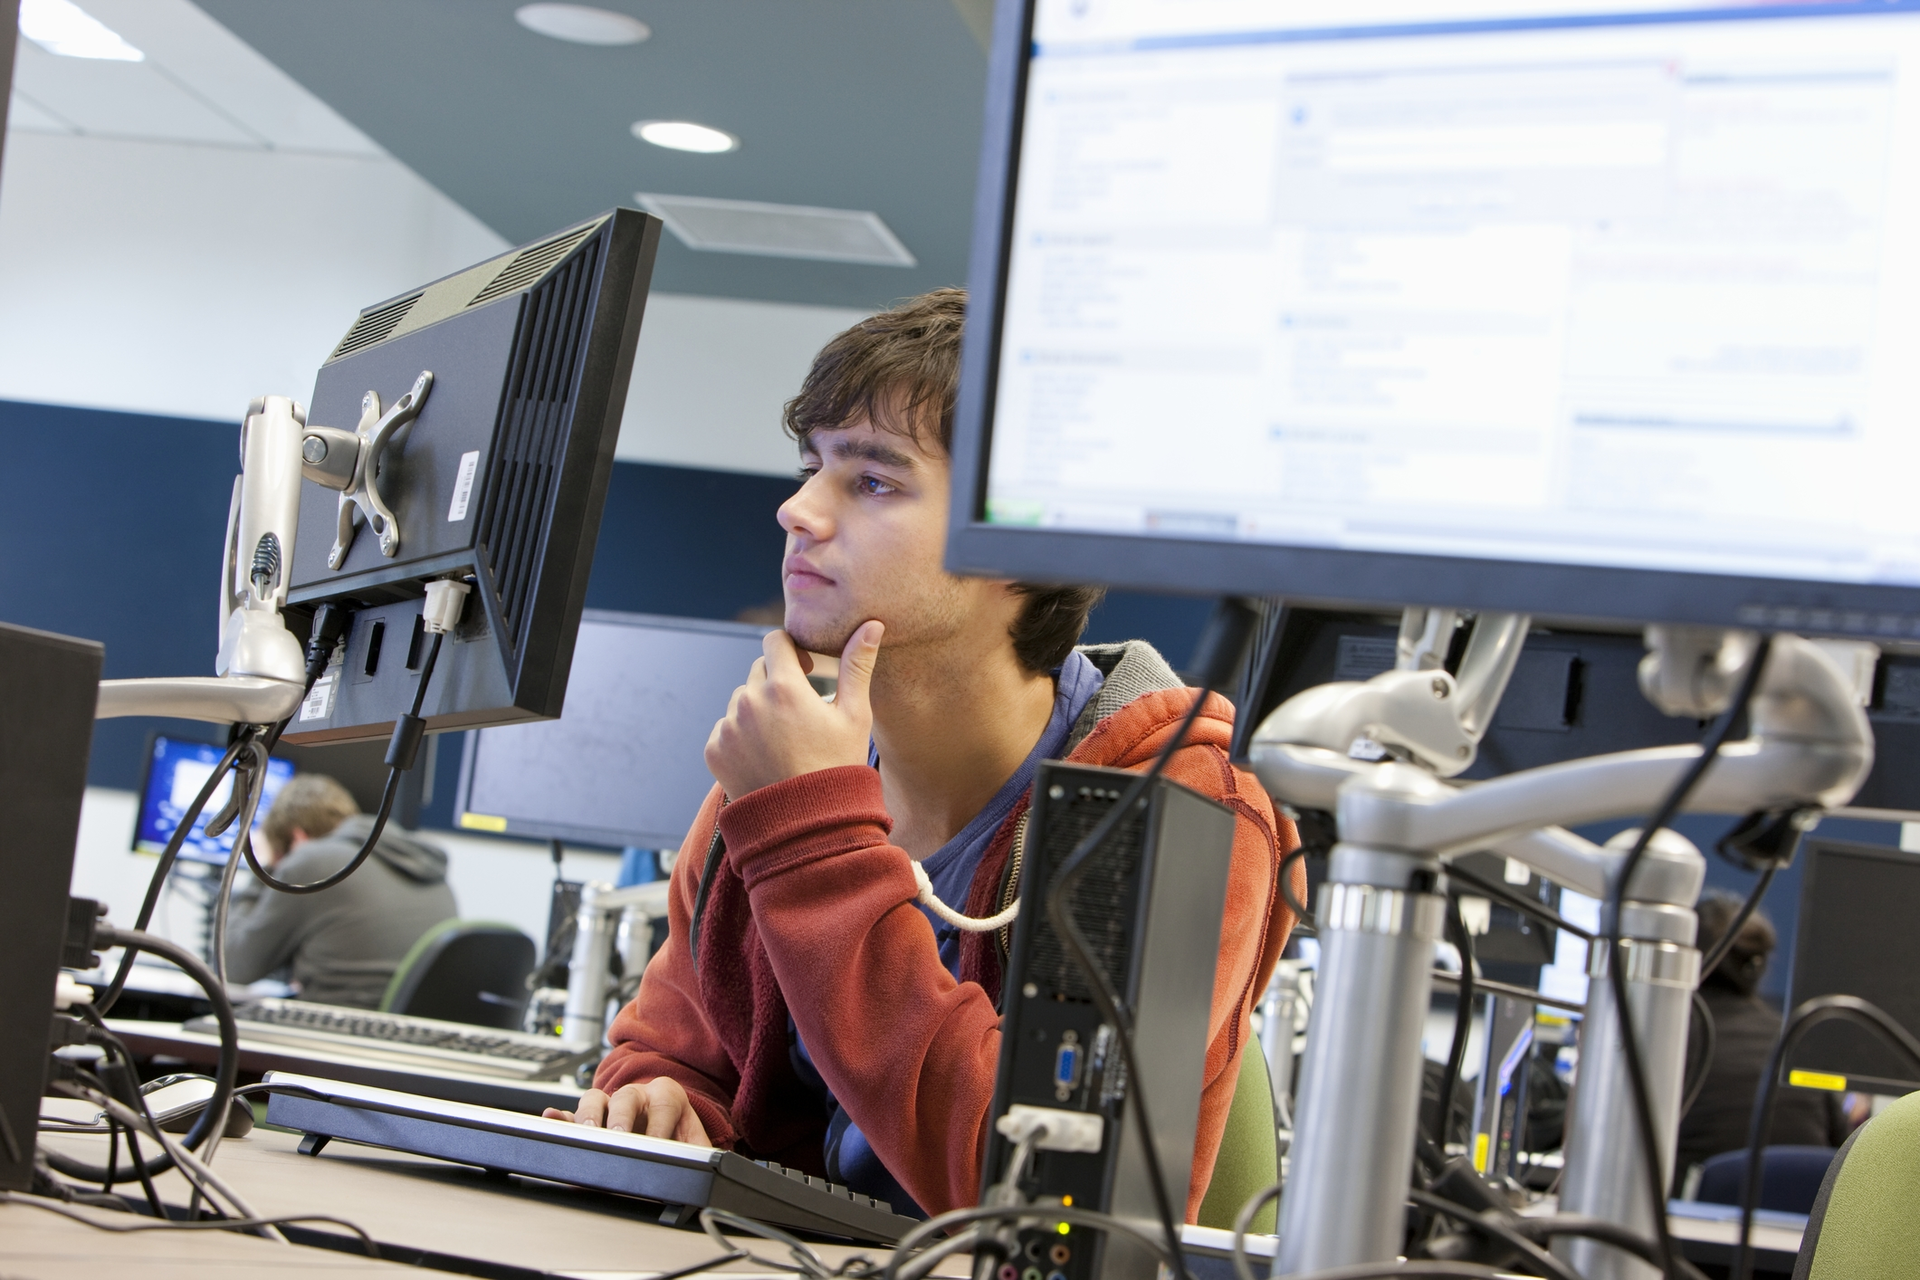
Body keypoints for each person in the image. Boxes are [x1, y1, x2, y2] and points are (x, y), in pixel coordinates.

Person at [543, 288, 1305, 1221]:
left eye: (872, 481)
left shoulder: (1180, 804)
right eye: (811, 466)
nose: (796, 511)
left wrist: (810, 835)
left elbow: (1045, 1204)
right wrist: (658, 1099)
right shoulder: (787, 776)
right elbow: (675, 1047)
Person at [225, 773, 458, 1009]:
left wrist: (266, 869)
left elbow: (233, 967)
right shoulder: (417, 859)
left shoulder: (312, 860)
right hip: (418, 1027)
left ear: (297, 837)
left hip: (344, 1026)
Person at [1674, 890, 1850, 1183]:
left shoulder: (1669, 1037)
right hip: (1801, 1220)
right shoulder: (1796, 1038)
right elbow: (1839, 1146)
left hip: (1691, 1217)